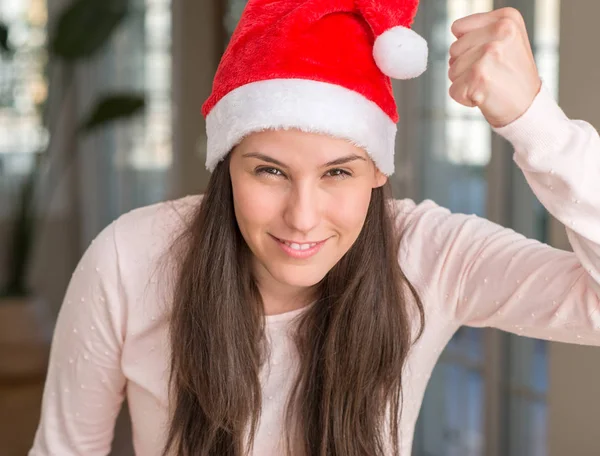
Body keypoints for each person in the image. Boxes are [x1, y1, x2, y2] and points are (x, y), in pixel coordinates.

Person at [29, 0, 600, 455]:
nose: (301, 217)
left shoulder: (430, 254)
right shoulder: (129, 258)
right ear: (227, 163)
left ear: (378, 170)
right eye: (269, 170)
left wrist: (535, 122)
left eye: (337, 173)